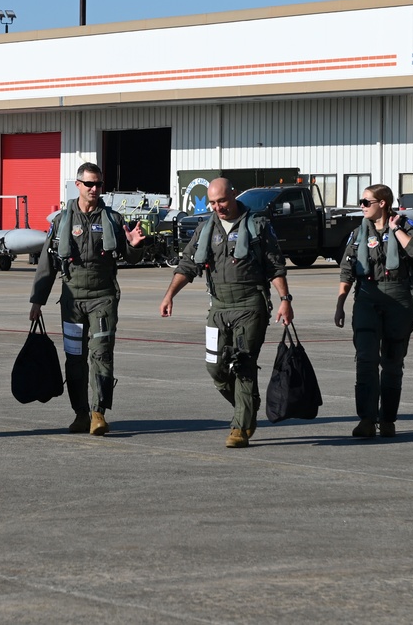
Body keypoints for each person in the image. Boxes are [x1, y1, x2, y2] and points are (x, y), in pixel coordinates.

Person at [159, 178, 293, 448]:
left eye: (222, 201)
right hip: (218, 308)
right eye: (212, 202)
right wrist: (169, 295)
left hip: (249, 305)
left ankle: (240, 427)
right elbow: (187, 264)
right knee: (215, 367)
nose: (218, 207)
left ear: (233, 195)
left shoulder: (257, 225)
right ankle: (248, 404)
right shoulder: (207, 228)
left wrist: (285, 299)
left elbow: (274, 266)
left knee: (243, 364)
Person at [29, 162, 146, 435]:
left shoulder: (114, 220)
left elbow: (130, 257)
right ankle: (80, 413)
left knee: (102, 355)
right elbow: (47, 264)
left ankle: (98, 412)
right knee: (74, 358)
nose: (95, 189)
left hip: (103, 298)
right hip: (72, 302)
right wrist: (38, 300)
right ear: (78, 185)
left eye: (99, 185)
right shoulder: (60, 222)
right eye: (90, 184)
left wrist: (134, 245)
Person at [334, 183, 413, 439]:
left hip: (398, 296)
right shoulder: (358, 234)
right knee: (365, 361)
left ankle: (387, 420)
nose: (361, 206)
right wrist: (340, 305)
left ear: (382, 203)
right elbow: (346, 270)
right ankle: (366, 419)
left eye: (366, 202)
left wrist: (396, 229)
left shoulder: (405, 226)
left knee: (393, 364)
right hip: (366, 298)